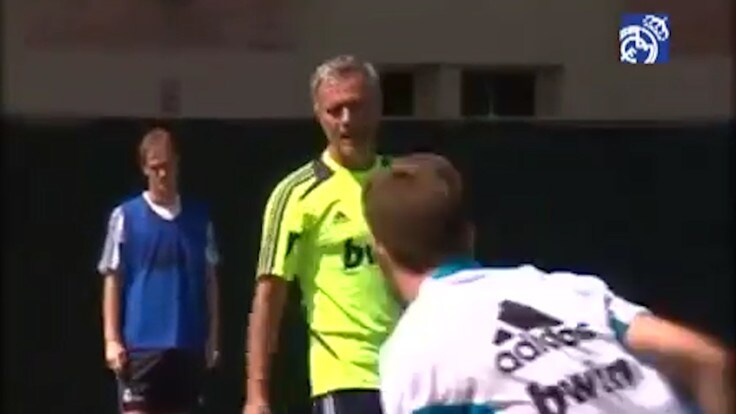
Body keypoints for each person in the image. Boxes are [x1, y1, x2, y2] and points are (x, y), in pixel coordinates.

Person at [364, 153, 733, 414]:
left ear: (381, 253)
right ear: (469, 235)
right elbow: (708, 360)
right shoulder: (565, 289)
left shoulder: (413, 353)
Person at [243, 55, 400, 414]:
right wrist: (256, 396)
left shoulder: (402, 183)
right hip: (345, 378)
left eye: (356, 107)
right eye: (335, 110)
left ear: (378, 108)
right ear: (318, 114)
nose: (346, 120)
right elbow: (268, 299)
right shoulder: (296, 195)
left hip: (412, 373)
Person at [98, 127, 221, 414]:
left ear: (177, 163)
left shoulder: (199, 219)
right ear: (144, 169)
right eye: (155, 168)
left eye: (167, 166)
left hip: (187, 345)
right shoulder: (125, 217)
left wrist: (213, 338)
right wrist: (112, 340)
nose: (163, 174)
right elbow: (112, 278)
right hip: (140, 348)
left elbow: (210, 281)